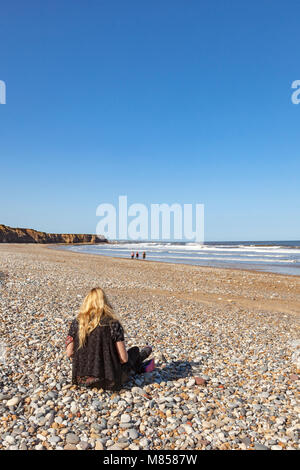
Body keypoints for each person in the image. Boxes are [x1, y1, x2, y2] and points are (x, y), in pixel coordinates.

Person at [65, 287, 154, 391]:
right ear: (105, 303)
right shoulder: (113, 324)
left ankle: (141, 361)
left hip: (81, 380)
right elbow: (123, 358)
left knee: (132, 355)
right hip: (109, 381)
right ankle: (142, 357)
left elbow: (69, 353)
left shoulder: (77, 323)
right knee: (134, 352)